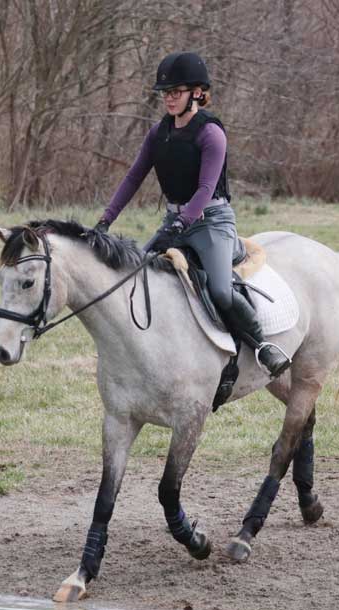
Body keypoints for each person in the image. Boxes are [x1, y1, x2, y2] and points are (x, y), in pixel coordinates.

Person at [95, 51, 291, 378]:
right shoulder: (158, 133)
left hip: (210, 222)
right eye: (165, 93)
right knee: (135, 277)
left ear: (197, 92)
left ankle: (261, 346)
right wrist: (105, 221)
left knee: (219, 291)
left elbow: (204, 188)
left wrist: (182, 222)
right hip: (174, 221)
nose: (169, 99)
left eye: (176, 92)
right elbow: (133, 177)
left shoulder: (210, 134)